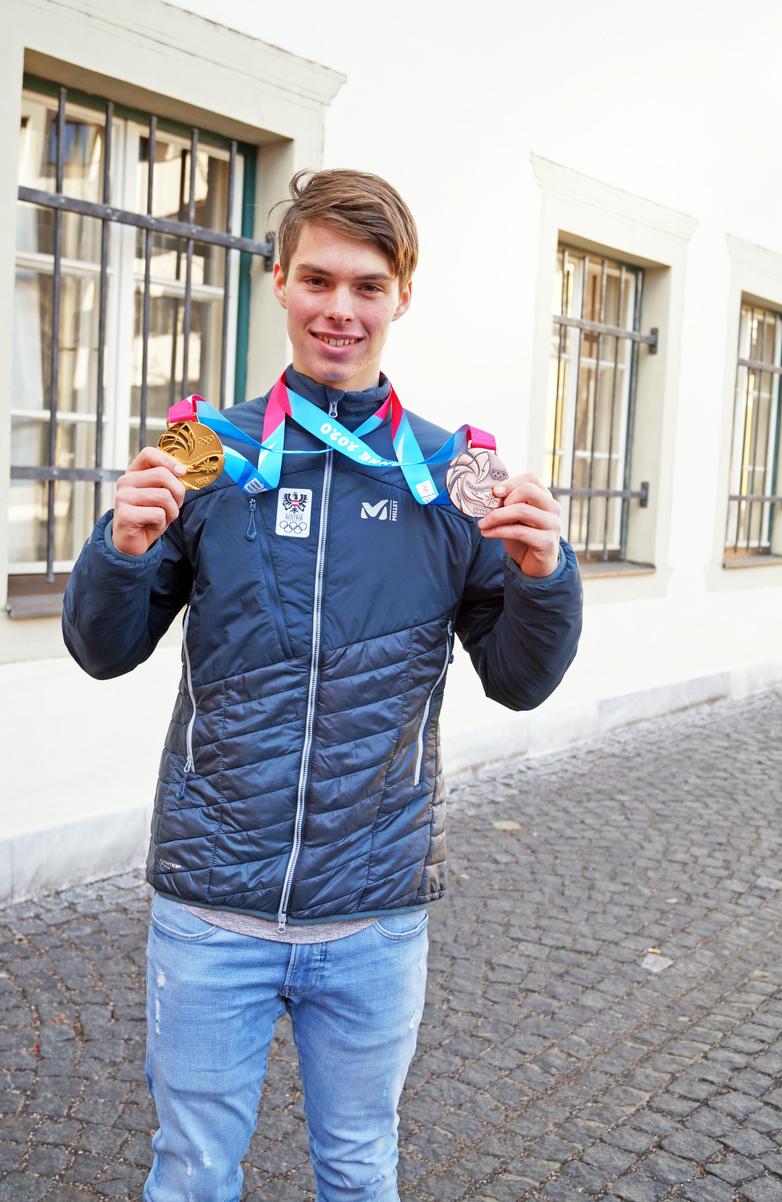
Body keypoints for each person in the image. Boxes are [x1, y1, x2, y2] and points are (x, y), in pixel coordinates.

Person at [62, 168, 582, 1202]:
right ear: (279, 283)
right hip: (212, 907)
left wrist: (544, 576)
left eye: (366, 285)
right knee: (193, 1169)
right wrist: (118, 547)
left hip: (372, 913)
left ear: (400, 295)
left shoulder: (452, 471)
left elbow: (519, 681)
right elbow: (102, 646)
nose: (339, 309)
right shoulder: (201, 443)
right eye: (316, 279)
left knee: (357, 1166)